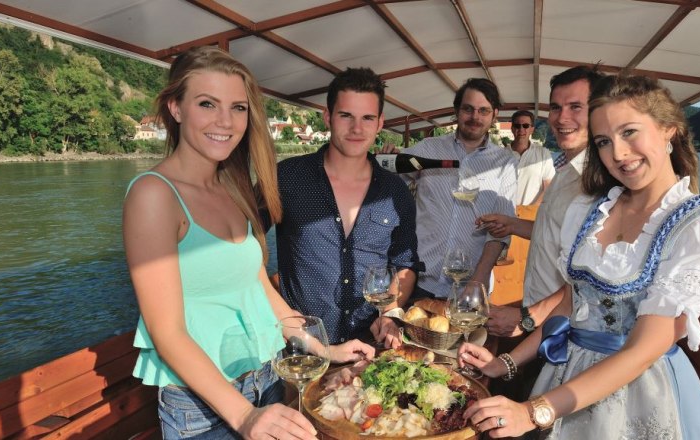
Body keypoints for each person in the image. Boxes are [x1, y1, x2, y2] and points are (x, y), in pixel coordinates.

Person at [458, 73, 700, 439]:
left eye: (630, 132)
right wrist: (505, 363)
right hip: (565, 376)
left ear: (669, 130)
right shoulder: (591, 209)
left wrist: (534, 410)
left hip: (638, 395)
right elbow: (572, 304)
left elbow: (642, 351)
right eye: (604, 141)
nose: (618, 154)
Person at [123, 46, 373, 439]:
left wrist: (324, 350)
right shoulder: (154, 195)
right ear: (175, 108)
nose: (226, 121)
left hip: (266, 379)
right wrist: (244, 416)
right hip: (204, 408)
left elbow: (258, 288)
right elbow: (165, 331)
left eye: (238, 108)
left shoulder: (231, 187)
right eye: (208, 104)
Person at [276, 67, 422, 347]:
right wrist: (279, 311)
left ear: (380, 123)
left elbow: (404, 263)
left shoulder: (396, 192)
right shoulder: (286, 178)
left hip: (369, 344)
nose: (357, 129)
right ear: (328, 117)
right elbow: (245, 249)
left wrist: (390, 312)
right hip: (301, 345)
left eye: (367, 118)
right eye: (346, 116)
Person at [479, 66, 604, 338]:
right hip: (540, 321)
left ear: (599, 112)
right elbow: (553, 233)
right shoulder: (564, 172)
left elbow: (593, 279)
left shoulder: (602, 184)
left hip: (572, 329)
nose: (562, 118)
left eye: (575, 107)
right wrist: (512, 224)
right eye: (556, 108)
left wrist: (528, 317)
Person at [394, 78, 517, 299]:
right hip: (419, 281)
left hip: (470, 288)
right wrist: (389, 158)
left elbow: (500, 232)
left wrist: (477, 281)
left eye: (483, 111)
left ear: (494, 114)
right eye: (468, 109)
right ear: (457, 111)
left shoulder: (505, 162)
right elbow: (392, 184)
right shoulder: (427, 149)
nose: (475, 117)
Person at [505, 110, 555, 206]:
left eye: (525, 126)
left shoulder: (543, 154)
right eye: (517, 125)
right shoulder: (500, 154)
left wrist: (530, 210)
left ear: (532, 129)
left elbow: (549, 187)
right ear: (512, 128)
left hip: (531, 215)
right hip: (504, 214)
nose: (521, 129)